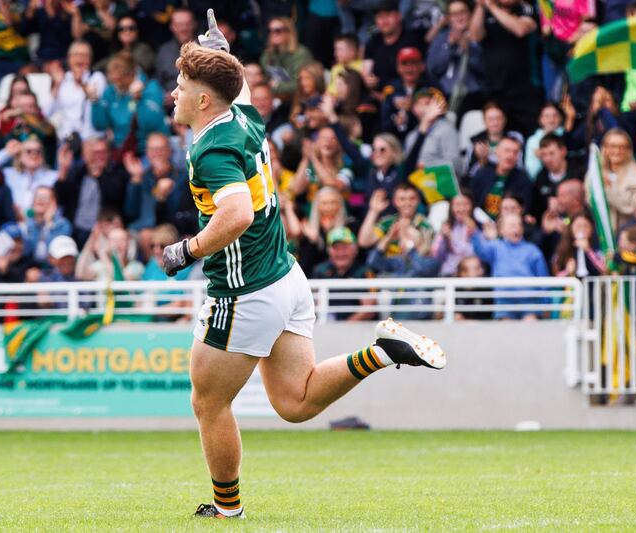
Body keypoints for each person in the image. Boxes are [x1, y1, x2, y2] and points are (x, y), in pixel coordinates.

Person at [161, 14, 445, 520]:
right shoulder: (242, 116)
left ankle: (227, 509)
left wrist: (187, 250)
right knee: (296, 402)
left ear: (204, 100)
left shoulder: (212, 149)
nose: (173, 93)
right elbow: (240, 86)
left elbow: (237, 214)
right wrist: (222, 54)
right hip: (286, 278)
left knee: (208, 403)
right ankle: (382, 352)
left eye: (182, 85)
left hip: (244, 290)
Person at [468, 0, 541, 135]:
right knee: (498, 133)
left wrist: (491, 6)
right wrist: (480, 6)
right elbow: (475, 36)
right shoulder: (485, 12)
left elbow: (521, 30)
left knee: (530, 130)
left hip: (524, 87)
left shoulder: (525, 8)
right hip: (495, 86)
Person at [471, 213, 549, 320]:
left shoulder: (532, 250)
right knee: (505, 327)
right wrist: (474, 233)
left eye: (519, 225)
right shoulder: (495, 246)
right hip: (504, 298)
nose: (517, 228)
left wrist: (546, 303)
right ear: (501, 230)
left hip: (528, 298)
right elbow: (481, 251)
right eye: (512, 225)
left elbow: (543, 277)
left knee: (531, 324)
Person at [54, 138, 128, 247]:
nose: (98, 157)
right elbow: (61, 199)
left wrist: (100, 176)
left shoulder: (118, 174)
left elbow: (115, 198)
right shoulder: (78, 173)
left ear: (109, 154)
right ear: (85, 155)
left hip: (103, 231)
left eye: (102, 152)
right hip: (75, 230)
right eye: (94, 153)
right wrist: (63, 169)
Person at [90, 53, 168, 154]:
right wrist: (95, 102)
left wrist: (139, 100)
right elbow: (100, 125)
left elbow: (152, 124)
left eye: (119, 80)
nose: (115, 85)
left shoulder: (151, 87)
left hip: (147, 150)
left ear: (131, 75)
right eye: (112, 80)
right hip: (120, 149)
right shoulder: (110, 91)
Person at [426, 0, 484, 117]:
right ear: (448, 18)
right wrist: (449, 47)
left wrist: (469, 50)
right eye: (454, 14)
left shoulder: (479, 35)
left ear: (470, 14)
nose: (459, 17)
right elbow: (433, 69)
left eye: (463, 12)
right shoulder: (441, 38)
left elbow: (484, 69)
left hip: (474, 96)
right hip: (446, 96)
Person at [311, 226, 377, 322]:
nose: (341, 253)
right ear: (329, 251)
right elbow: (314, 304)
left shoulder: (365, 272)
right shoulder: (320, 271)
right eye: (336, 248)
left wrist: (345, 326)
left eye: (345, 248)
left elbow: (369, 309)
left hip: (360, 328)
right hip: (326, 326)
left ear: (355, 249)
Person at [588, 128, 636, 231]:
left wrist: (609, 189)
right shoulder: (595, 174)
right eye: (612, 146)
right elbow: (590, 202)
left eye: (622, 147)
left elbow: (633, 207)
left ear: (629, 150)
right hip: (600, 233)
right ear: (604, 148)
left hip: (629, 233)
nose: (617, 151)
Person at [358, 183, 434, 255]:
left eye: (412, 199)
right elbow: (364, 242)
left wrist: (415, 239)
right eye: (402, 199)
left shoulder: (425, 225)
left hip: (412, 263)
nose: (407, 203)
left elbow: (429, 255)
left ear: (418, 200)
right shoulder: (388, 222)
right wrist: (373, 211)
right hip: (387, 263)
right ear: (395, 201)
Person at [470, 135, 531, 219]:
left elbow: (524, 210)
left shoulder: (524, 181)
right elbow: (472, 202)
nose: (510, 156)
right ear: (497, 151)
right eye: (507, 150)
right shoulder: (482, 175)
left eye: (515, 152)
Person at [0, 136, 58, 218]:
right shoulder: (9, 174)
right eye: (28, 151)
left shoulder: (53, 176)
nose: (34, 155)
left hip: (45, 223)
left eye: (38, 151)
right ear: (20, 155)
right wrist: (6, 153)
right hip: (14, 222)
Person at [259, 16, 314, 101]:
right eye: (270, 31)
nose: (273, 34)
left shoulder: (301, 54)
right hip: (273, 99)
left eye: (278, 30)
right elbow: (265, 80)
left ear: (288, 32)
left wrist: (277, 86)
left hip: (298, 99)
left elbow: (301, 84)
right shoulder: (267, 55)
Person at [530, 133, 582, 222]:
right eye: (544, 155)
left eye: (552, 153)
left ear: (563, 151)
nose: (547, 159)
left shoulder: (579, 172)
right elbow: (536, 210)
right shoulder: (541, 178)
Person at [23, 185, 72, 265]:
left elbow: (55, 254)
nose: (40, 200)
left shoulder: (63, 225)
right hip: (30, 266)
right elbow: (26, 251)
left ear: (53, 203)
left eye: (45, 197)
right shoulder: (28, 222)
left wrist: (48, 225)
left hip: (53, 268)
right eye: (38, 196)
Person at [431, 188, 476, 276]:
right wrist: (443, 238)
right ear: (451, 207)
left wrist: (475, 233)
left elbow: (472, 253)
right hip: (448, 273)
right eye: (457, 204)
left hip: (470, 274)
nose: (461, 209)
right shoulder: (447, 226)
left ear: (472, 205)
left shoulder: (478, 226)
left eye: (465, 204)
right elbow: (435, 255)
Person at [552, 214, 606, 279]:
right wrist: (567, 271)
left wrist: (588, 250)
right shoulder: (563, 250)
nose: (582, 229)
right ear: (571, 228)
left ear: (592, 229)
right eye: (578, 226)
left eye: (586, 226)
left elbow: (604, 270)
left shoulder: (597, 248)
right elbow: (556, 277)